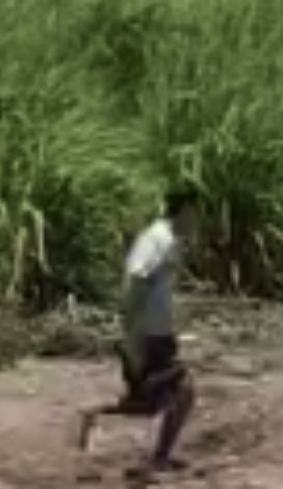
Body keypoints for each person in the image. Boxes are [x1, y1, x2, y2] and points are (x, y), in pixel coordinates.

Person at [81, 190, 200, 473]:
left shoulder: (169, 240)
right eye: (196, 213)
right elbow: (135, 281)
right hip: (147, 335)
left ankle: (91, 415)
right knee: (180, 390)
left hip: (156, 333)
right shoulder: (156, 239)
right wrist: (133, 337)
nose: (198, 221)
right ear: (185, 211)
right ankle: (153, 461)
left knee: (151, 400)